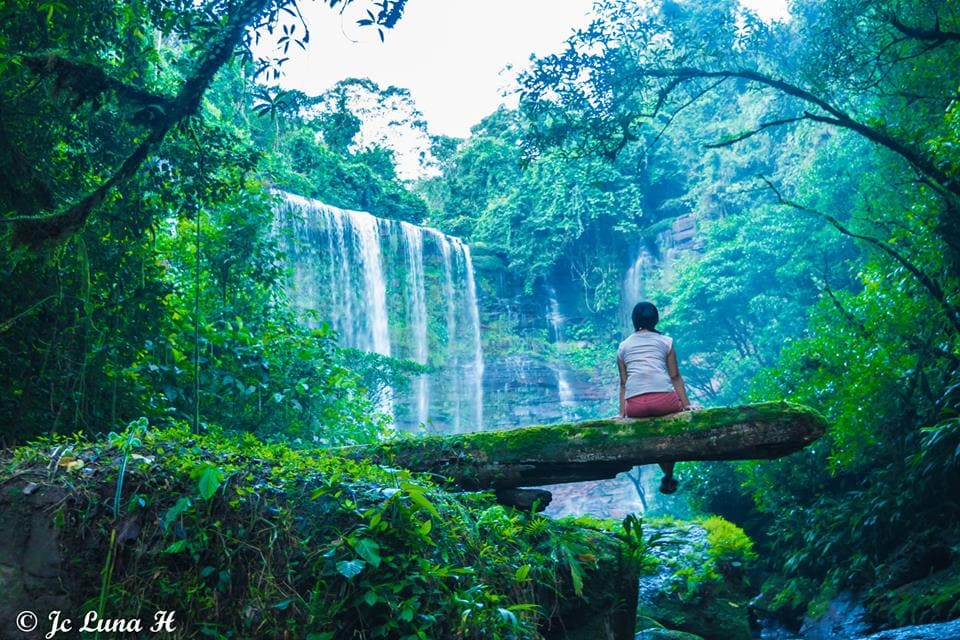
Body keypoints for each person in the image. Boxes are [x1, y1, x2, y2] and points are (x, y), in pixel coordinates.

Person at [617, 301, 692, 494]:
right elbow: (674, 376)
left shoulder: (623, 346)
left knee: (654, 430)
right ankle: (668, 472)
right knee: (669, 429)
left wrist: (621, 415)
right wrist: (687, 405)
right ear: (655, 319)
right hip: (663, 401)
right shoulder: (666, 341)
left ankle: (667, 473)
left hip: (635, 406)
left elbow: (624, 383)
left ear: (634, 320)